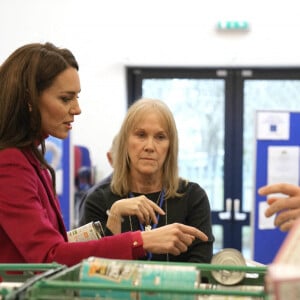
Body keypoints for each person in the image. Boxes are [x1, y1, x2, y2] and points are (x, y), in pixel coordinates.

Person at [0, 42, 209, 266]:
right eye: (65, 98)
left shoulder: (31, 160)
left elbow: (57, 246)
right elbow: (49, 256)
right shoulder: (11, 163)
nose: (77, 108)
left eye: (160, 137)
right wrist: (140, 239)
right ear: (29, 100)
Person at [80, 98, 214, 263]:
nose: (150, 146)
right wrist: (114, 216)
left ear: (170, 147)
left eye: (160, 137)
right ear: (125, 143)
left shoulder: (193, 197)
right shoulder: (98, 200)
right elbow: (90, 270)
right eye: (141, 135)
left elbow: (201, 270)